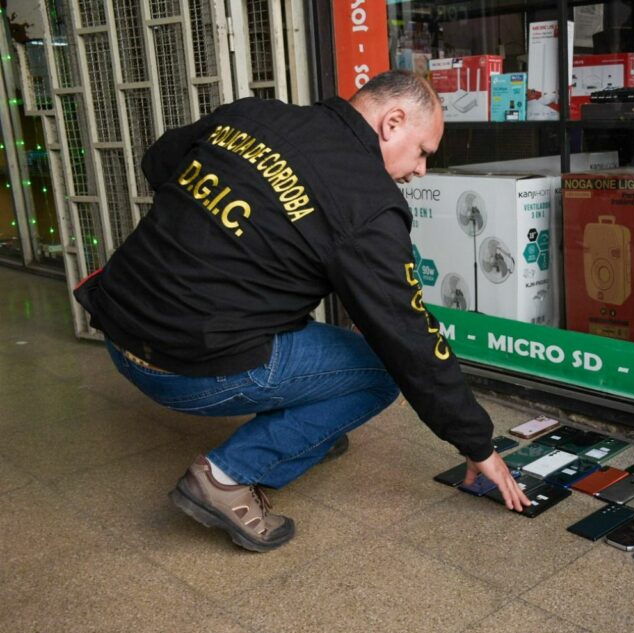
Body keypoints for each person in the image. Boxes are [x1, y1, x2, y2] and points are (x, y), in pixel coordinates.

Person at [74, 70, 531, 552]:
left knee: (306, 326)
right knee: (380, 371)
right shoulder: (368, 206)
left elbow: (158, 160)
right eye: (423, 152)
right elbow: (410, 339)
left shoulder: (255, 114)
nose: (420, 170)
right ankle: (227, 477)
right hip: (183, 367)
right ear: (392, 121)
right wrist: (478, 445)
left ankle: (307, 431)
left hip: (117, 323)